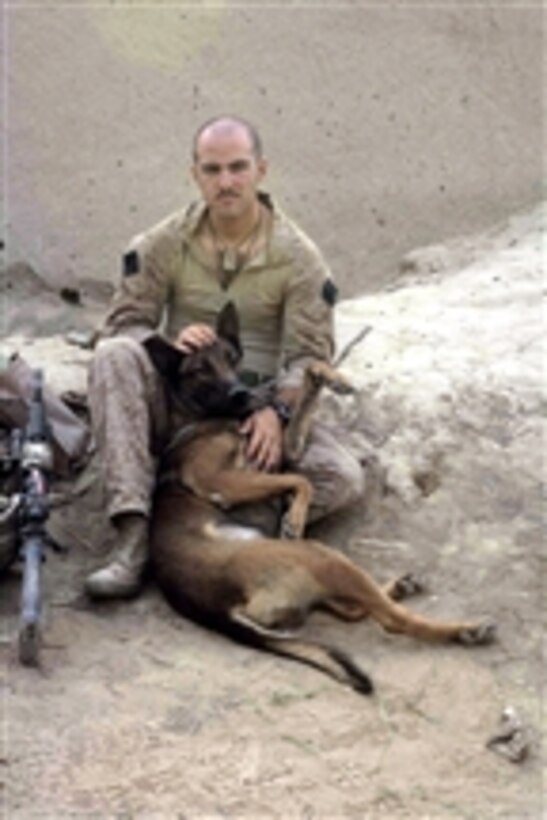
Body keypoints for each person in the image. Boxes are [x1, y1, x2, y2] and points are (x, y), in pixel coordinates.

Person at [85, 115, 364, 599]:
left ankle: (224, 531)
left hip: (247, 413)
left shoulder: (298, 258)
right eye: (212, 170)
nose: (226, 182)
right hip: (176, 402)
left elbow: (309, 353)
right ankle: (133, 536)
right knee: (113, 354)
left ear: (261, 170)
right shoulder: (162, 243)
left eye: (238, 168)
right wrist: (168, 345)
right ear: (195, 174)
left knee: (340, 477)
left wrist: (276, 411)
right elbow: (123, 323)